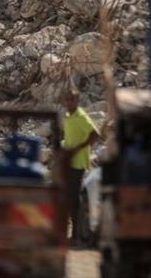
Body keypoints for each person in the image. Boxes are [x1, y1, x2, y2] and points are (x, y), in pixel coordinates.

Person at [59, 90, 100, 245]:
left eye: (71, 100)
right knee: (69, 198)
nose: (68, 103)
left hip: (78, 164)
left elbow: (95, 134)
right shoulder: (69, 116)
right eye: (66, 100)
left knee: (74, 199)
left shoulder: (81, 116)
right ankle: (72, 233)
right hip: (69, 163)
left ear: (77, 100)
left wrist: (78, 148)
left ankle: (76, 236)